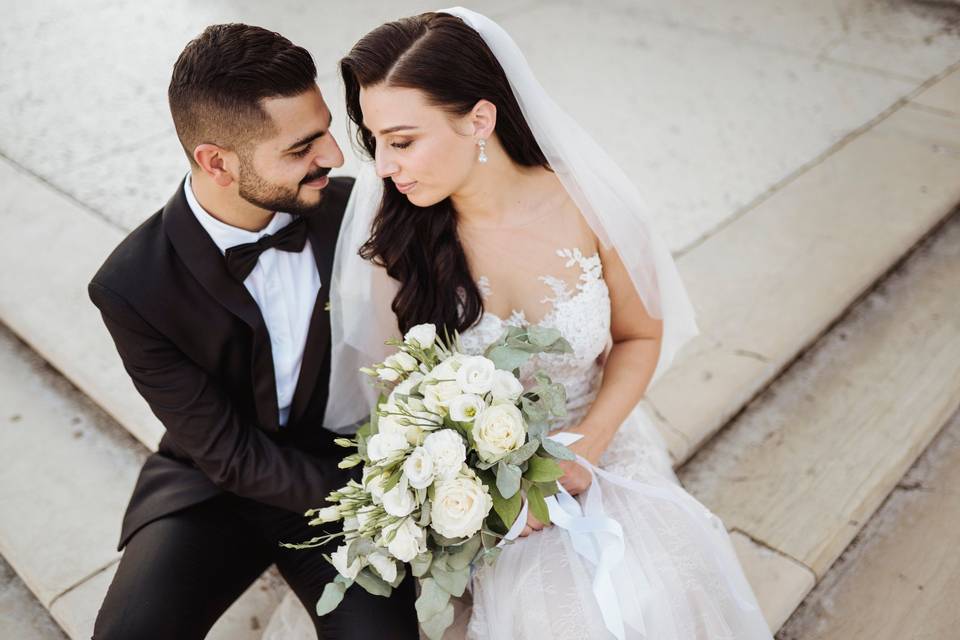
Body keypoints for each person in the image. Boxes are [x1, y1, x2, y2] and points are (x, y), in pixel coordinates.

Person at [266, 8, 773, 640]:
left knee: (661, 588)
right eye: (376, 141)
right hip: (479, 484)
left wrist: (588, 443)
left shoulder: (591, 205)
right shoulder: (398, 239)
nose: (384, 168)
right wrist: (473, 488)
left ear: (479, 119)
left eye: (402, 140)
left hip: (603, 435)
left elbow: (641, 335)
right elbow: (399, 397)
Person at [87, 23, 418, 639]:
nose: (335, 158)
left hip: (342, 463)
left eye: (325, 131)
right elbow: (228, 455)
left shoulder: (358, 213)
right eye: (301, 148)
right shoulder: (130, 286)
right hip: (214, 488)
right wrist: (372, 494)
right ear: (216, 162)